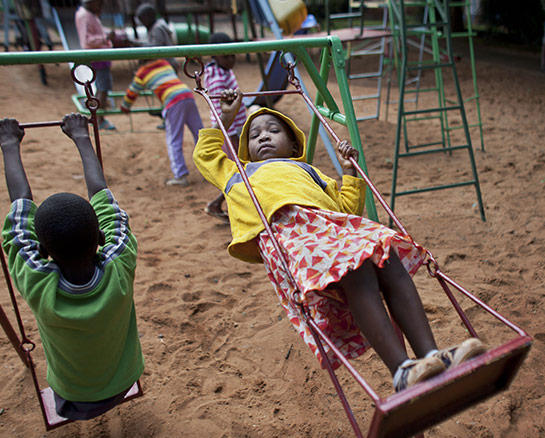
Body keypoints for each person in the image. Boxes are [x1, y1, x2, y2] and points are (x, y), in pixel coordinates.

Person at [193, 89, 486, 391]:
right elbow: (206, 155)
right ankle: (401, 370)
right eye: (254, 135)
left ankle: (431, 356)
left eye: (272, 130)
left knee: (387, 257)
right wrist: (226, 118)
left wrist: (349, 173)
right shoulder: (240, 173)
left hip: (332, 231)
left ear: (294, 143)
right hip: (293, 237)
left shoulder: (312, 173)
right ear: (246, 149)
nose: (263, 137)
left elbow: (345, 210)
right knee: (356, 270)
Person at [0, 113, 144, 419]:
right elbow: (103, 198)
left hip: (74, 398)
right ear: (100, 237)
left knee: (70, 386)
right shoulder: (120, 263)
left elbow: (19, 211)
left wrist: (9, 144)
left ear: (42, 250)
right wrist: (81, 136)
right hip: (124, 382)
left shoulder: (37, 282)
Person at [120, 59, 209, 191]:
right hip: (186, 93)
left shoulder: (142, 73)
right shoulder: (163, 63)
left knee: (174, 139)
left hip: (172, 100)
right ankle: (209, 169)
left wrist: (125, 106)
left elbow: (132, 93)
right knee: (200, 134)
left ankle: (180, 175)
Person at [201, 31, 247, 222]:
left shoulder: (220, 69)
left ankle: (217, 203)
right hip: (230, 130)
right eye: (226, 56)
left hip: (235, 128)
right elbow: (224, 112)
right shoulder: (218, 78)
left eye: (233, 55)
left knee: (241, 170)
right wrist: (233, 135)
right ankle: (219, 204)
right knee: (240, 170)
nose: (231, 60)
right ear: (215, 56)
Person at [75, 0, 117, 130]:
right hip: (97, 56)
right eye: (99, 4)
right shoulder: (84, 16)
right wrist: (105, 38)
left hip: (100, 55)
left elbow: (97, 32)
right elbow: (87, 41)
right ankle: (99, 119)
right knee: (103, 87)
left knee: (101, 87)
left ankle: (98, 118)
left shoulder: (90, 14)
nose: (101, 7)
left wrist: (108, 35)